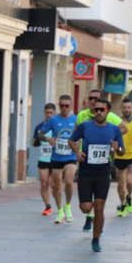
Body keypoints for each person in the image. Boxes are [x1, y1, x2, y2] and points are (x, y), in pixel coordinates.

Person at [68, 99, 122, 252]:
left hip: (103, 173)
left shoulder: (114, 129)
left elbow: (121, 151)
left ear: (107, 111)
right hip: (85, 172)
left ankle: (96, 238)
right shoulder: (85, 126)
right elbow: (71, 140)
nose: (98, 112)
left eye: (102, 109)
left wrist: (117, 149)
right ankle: (93, 219)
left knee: (99, 207)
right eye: (96, 109)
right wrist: (77, 152)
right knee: (86, 207)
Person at [40, 95, 77, 225]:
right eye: (62, 105)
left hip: (71, 157)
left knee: (68, 181)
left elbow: (83, 135)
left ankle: (67, 206)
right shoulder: (53, 120)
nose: (64, 108)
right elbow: (40, 133)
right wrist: (48, 139)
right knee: (56, 187)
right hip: (56, 157)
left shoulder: (76, 119)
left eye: (67, 105)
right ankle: (60, 210)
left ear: (71, 106)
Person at [33, 103, 56, 216]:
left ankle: (59, 205)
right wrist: (37, 140)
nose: (49, 115)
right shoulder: (39, 127)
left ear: (54, 113)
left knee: (54, 184)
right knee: (43, 183)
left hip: (55, 159)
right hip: (43, 159)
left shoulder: (57, 126)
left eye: (51, 113)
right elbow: (33, 143)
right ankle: (47, 206)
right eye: (47, 113)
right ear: (44, 113)